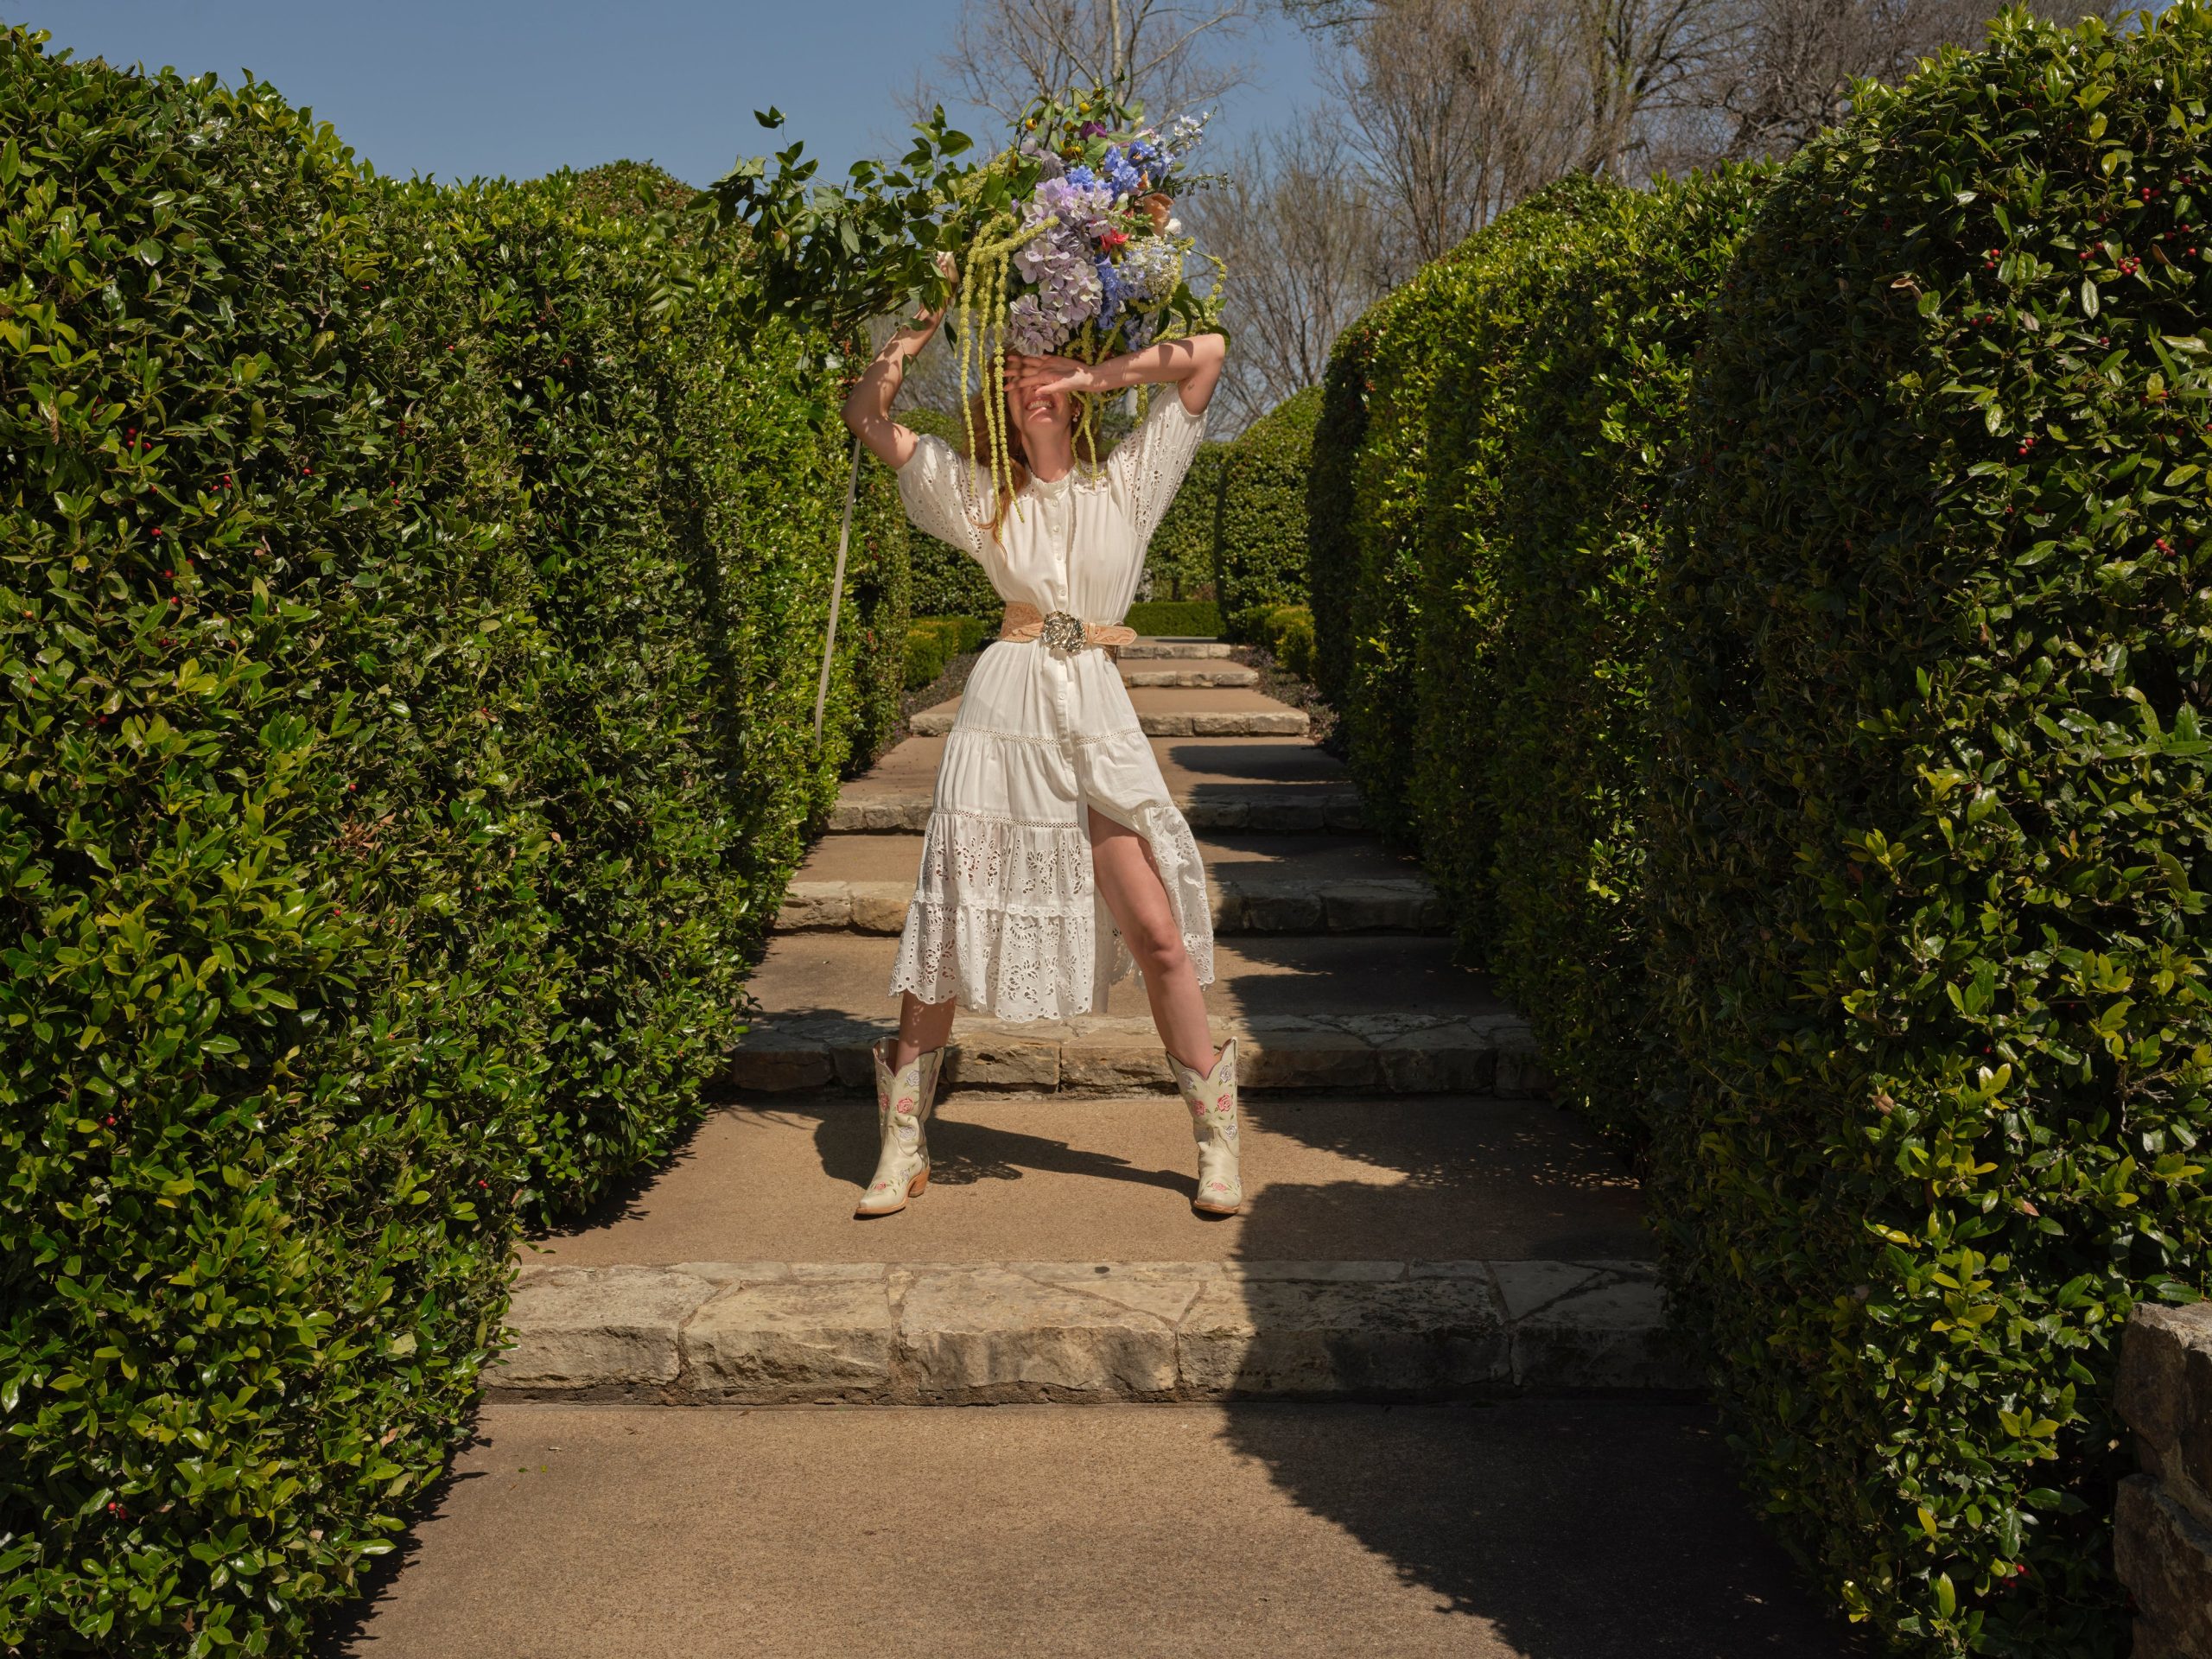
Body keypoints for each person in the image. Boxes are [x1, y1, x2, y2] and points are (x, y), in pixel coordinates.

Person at [840, 256, 1238, 1222]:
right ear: (1000, 407)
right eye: (1018, 377)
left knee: (1157, 933)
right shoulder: (979, 494)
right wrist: (918, 323)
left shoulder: (1127, 486)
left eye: (1049, 370)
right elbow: (866, 417)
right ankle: (901, 1142)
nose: (1036, 387)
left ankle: (1217, 1142)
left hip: (1094, 715)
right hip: (1006, 714)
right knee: (949, 926)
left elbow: (1208, 355)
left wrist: (1096, 371)